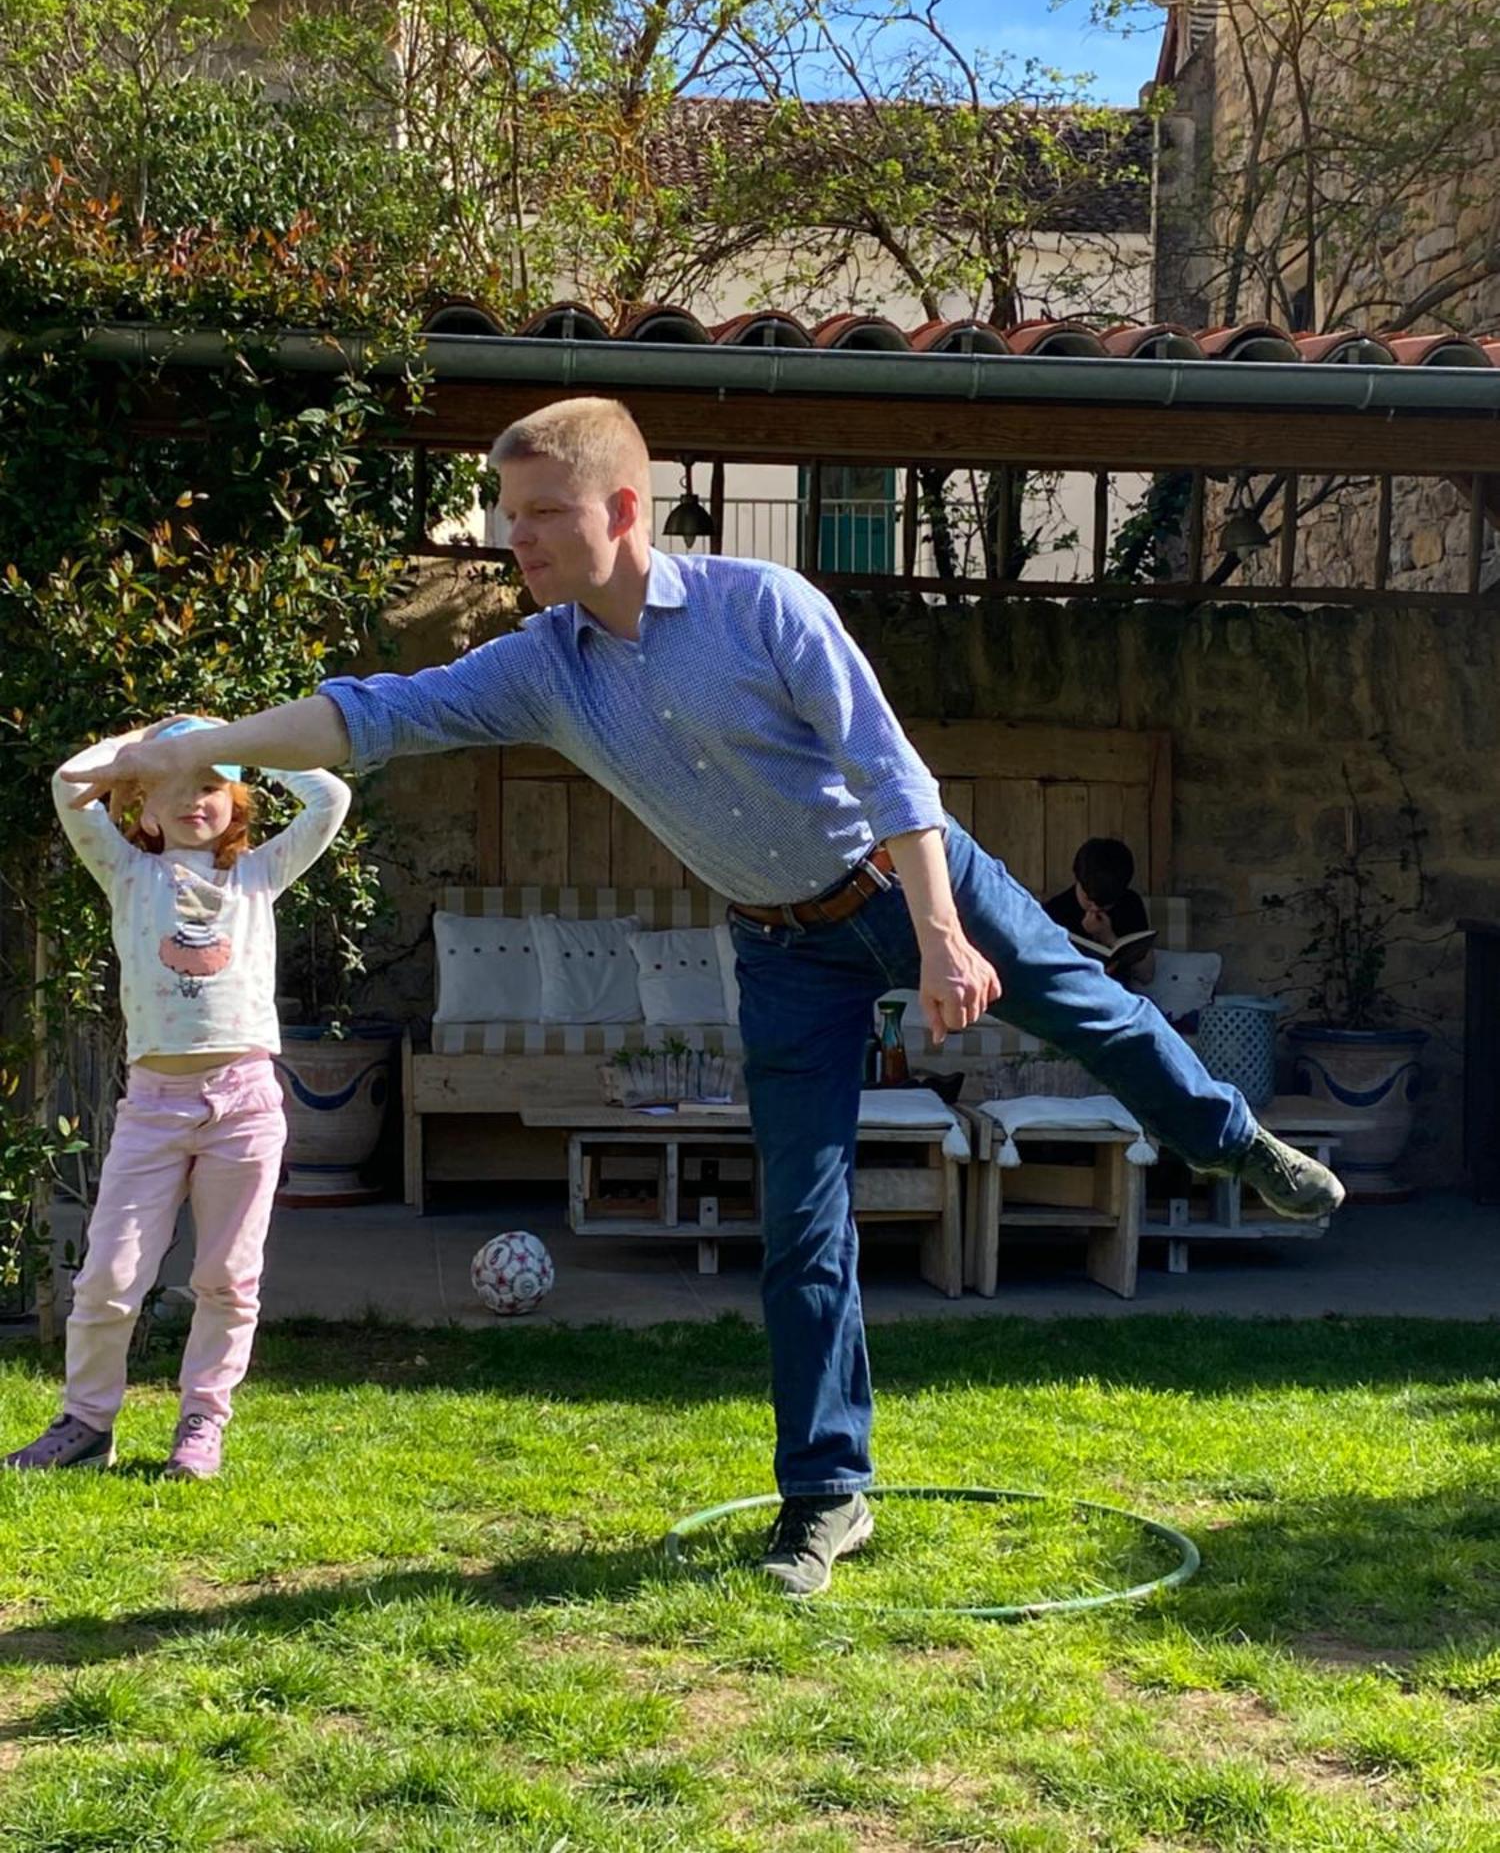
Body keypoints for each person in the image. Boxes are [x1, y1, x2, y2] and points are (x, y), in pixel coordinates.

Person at [59, 399, 1345, 1585]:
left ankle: (1232, 1141)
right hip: (782, 948)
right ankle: (828, 1492)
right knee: (804, 1223)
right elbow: (369, 713)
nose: (520, 542)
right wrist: (207, 742)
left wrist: (947, 942)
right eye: (509, 519)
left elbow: (894, 777)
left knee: (1100, 1015)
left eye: (544, 515)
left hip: (905, 880)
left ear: (624, 508)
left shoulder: (763, 607)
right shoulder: (539, 666)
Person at [4, 717, 350, 1479]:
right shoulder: (128, 872)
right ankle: (87, 1422)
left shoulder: (259, 874)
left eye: (211, 784)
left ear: (236, 802)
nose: (195, 798)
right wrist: (158, 739)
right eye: (174, 788)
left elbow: (329, 798)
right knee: (109, 1276)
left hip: (246, 1103)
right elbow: (70, 782)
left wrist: (235, 738)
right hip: (156, 1104)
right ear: (143, 811)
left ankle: (202, 1424)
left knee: (227, 1278)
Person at [1044, 836, 1157, 987]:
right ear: (1078, 880)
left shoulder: (1130, 904)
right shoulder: (1055, 910)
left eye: (1105, 905)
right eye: (1089, 900)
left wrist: (1109, 938)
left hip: (1117, 996)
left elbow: (1147, 975)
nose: (1095, 908)